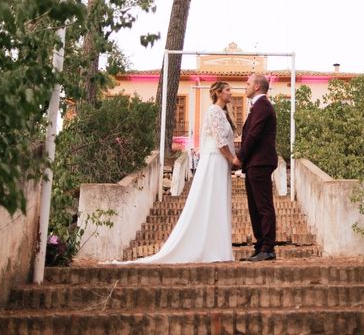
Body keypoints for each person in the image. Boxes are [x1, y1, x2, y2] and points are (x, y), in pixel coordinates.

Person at [112, 81, 236, 264]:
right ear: (218, 93)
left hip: (220, 162)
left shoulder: (223, 113)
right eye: (228, 90)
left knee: (217, 201)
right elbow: (219, 140)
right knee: (211, 199)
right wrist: (232, 158)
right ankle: (209, 246)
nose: (231, 93)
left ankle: (216, 246)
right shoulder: (214, 111)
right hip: (215, 161)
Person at [233, 74, 278, 262]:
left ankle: (267, 248)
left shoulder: (263, 106)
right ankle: (260, 246)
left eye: (248, 83)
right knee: (254, 207)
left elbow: (254, 134)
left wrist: (239, 157)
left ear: (258, 86)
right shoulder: (257, 106)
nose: (246, 86)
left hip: (260, 163)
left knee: (263, 206)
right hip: (254, 164)